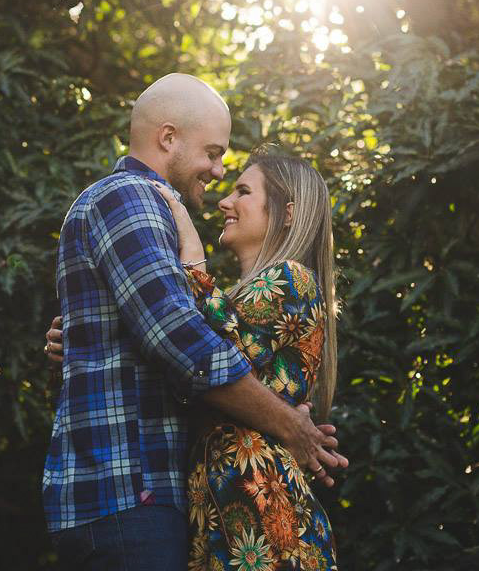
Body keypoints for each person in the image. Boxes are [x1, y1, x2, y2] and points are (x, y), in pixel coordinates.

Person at [42, 74, 346, 571]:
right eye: (213, 152)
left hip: (221, 510)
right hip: (133, 494)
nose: (217, 173)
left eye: (239, 182)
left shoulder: (282, 279)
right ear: (168, 138)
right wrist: (291, 424)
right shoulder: (132, 199)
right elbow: (181, 341)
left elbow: (195, 342)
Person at [155, 147, 339, 570]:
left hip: (264, 520)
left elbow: (219, 361)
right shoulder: (244, 298)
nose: (224, 202)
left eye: (243, 191)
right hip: (233, 520)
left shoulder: (289, 276)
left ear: (287, 213)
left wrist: (192, 257)